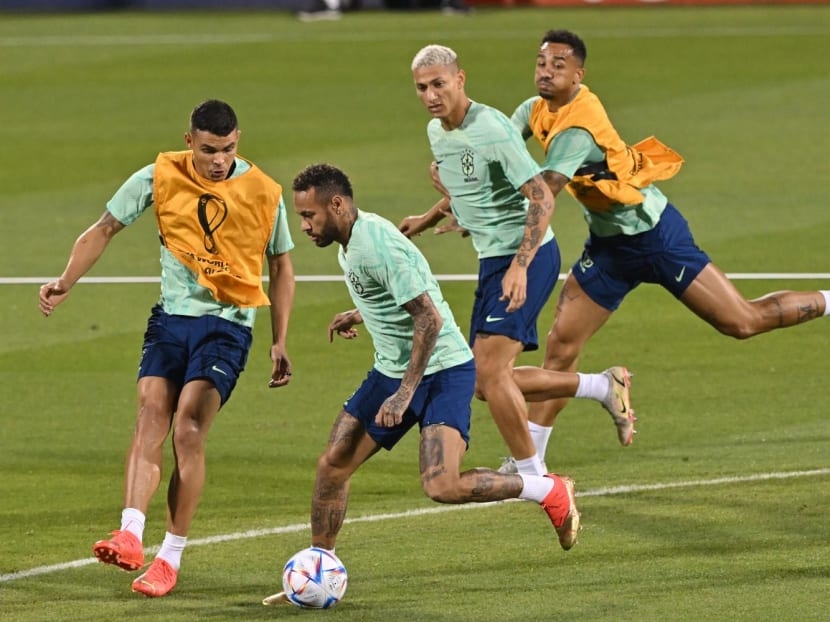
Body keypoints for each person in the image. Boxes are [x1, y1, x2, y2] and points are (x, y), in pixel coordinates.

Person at [494, 29, 830, 470]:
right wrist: (449, 199)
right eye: (541, 63)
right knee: (562, 345)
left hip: (656, 238)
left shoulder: (578, 126)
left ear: (579, 75)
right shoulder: (534, 110)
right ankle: (532, 463)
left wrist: (516, 253)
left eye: (559, 65)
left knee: (742, 322)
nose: (546, 72)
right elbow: (496, 145)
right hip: (609, 248)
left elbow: (548, 190)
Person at [261, 163, 580, 605]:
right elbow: (402, 290)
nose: (305, 226)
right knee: (332, 465)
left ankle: (546, 488)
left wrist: (405, 393)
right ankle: (320, 566)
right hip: (393, 367)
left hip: (443, 369)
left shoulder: (376, 244)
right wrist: (360, 313)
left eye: (309, 216)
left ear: (336, 205)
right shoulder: (351, 241)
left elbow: (428, 318)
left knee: (442, 486)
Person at [38, 99, 296, 597]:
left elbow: (282, 265)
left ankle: (169, 557)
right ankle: (131, 534)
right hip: (171, 321)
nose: (218, 160)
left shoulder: (264, 192)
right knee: (150, 414)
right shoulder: (159, 175)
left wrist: (279, 338)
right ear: (189, 142)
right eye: (208, 150)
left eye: (227, 149)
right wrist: (66, 280)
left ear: (237, 140)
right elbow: (105, 227)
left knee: (188, 429)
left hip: (227, 327)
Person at [401, 44, 634, 477]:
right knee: (483, 383)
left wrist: (520, 265)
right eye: (422, 87)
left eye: (439, 84)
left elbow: (542, 197)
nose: (431, 95)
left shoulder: (490, 127)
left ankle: (533, 473)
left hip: (528, 257)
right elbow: (468, 188)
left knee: (489, 373)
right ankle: (604, 386)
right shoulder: (438, 132)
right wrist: (429, 217)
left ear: (460, 79)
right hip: (493, 259)